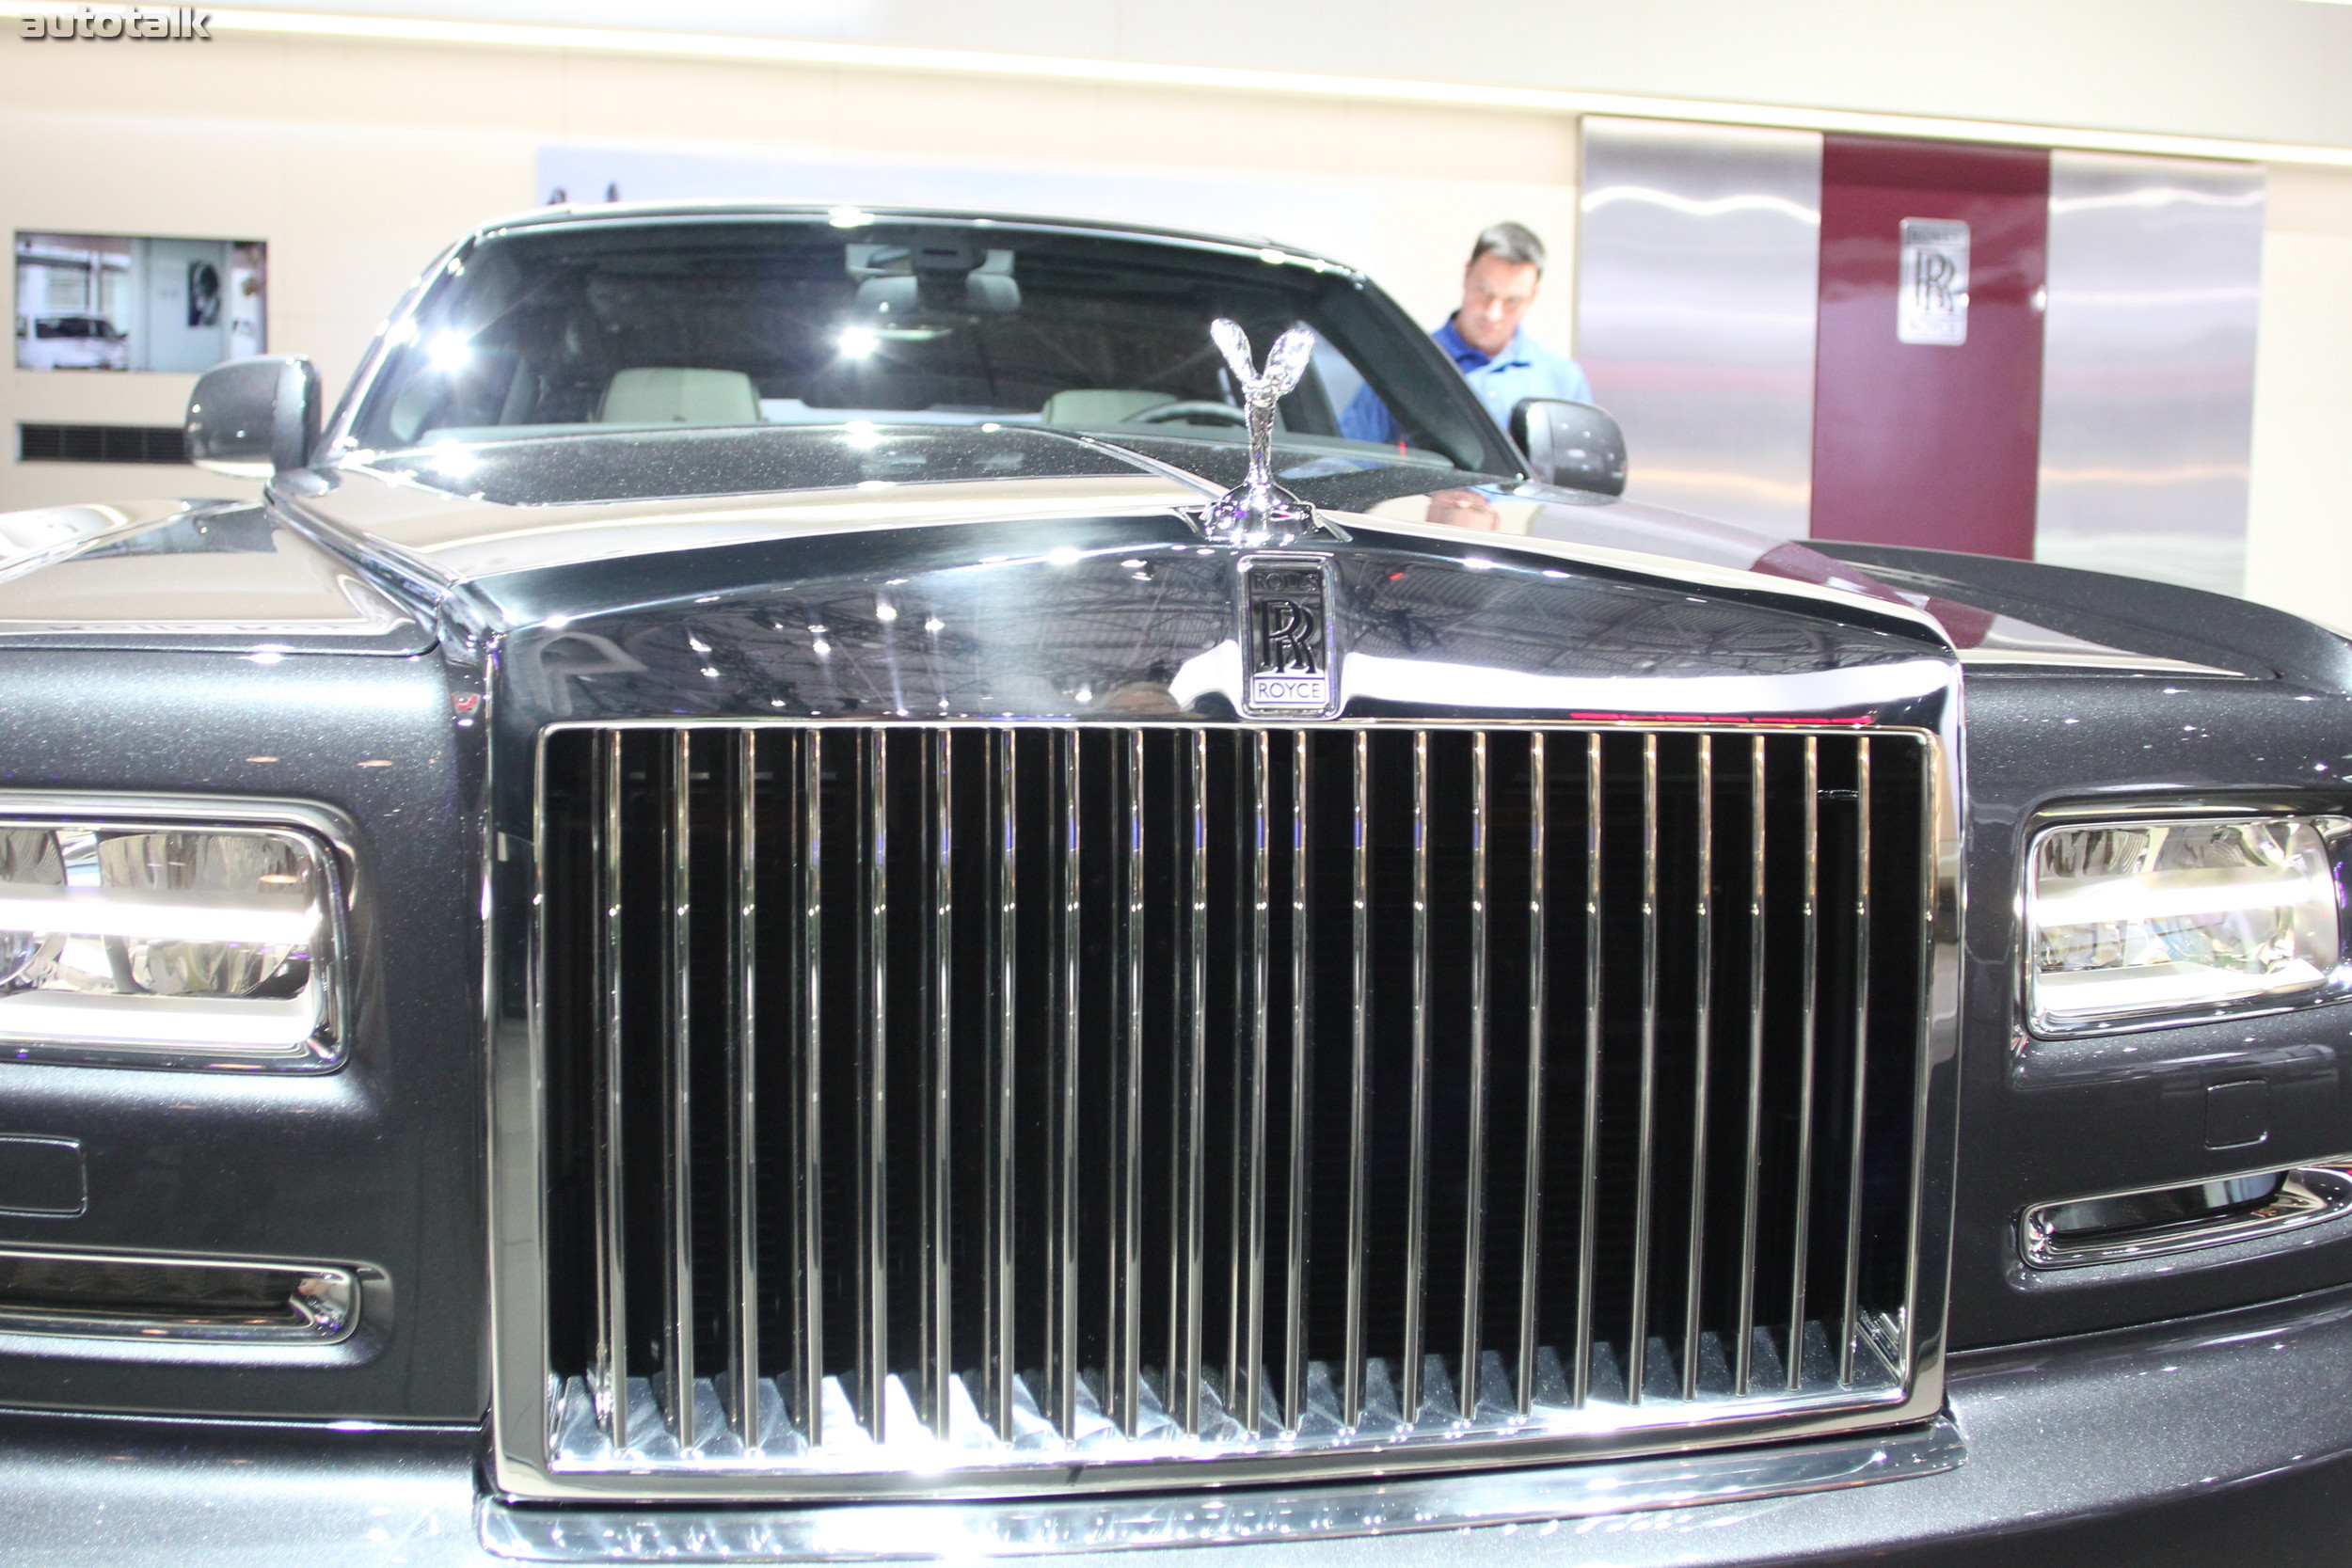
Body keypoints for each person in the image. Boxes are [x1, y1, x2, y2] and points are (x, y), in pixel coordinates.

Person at [1342, 222, 1592, 447]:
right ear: (1467, 275)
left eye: (1512, 301)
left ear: (1533, 296)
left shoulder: (1563, 380)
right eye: (1484, 291)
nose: (1493, 313)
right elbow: (1350, 458)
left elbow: (1581, 482)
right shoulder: (1406, 364)